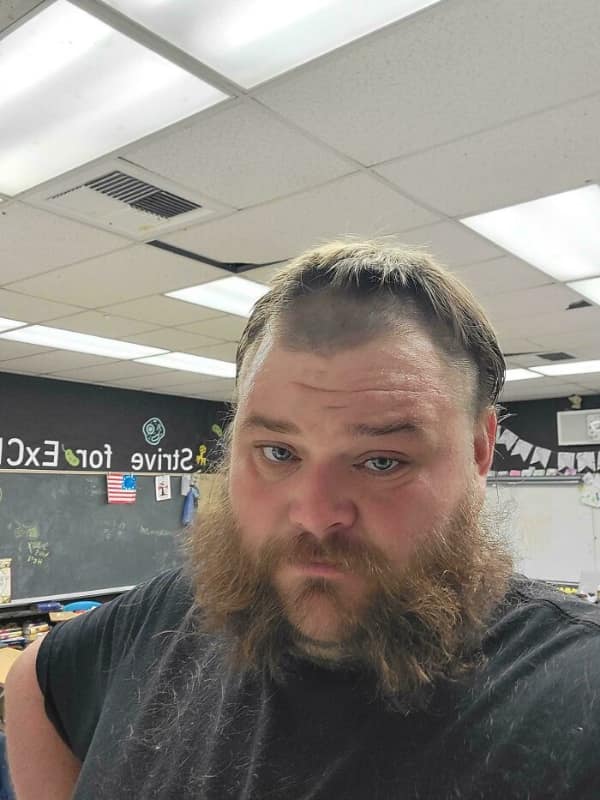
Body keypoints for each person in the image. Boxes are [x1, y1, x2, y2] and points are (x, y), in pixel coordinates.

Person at [5, 240, 600, 799]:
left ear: (478, 451)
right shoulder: (169, 615)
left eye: (380, 460)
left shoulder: (574, 691)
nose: (315, 514)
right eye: (278, 453)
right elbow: (36, 678)